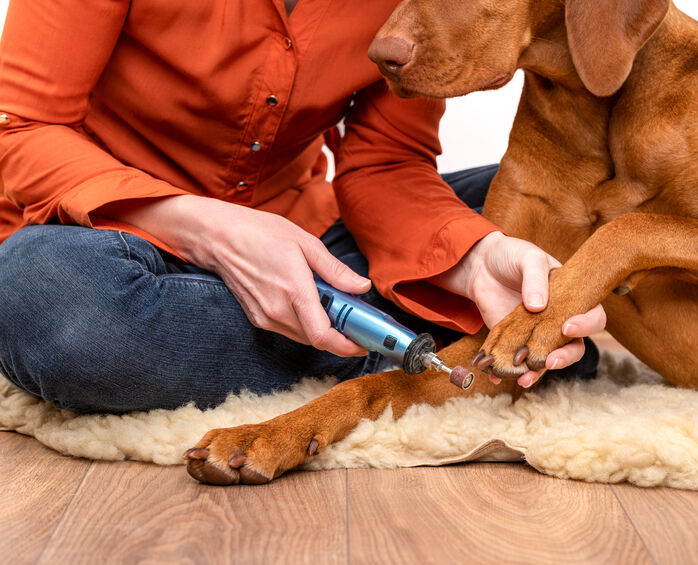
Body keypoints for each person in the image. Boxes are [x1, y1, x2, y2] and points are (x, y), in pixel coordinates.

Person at [0, 0, 605, 414]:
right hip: (107, 241)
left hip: (309, 248)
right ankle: (416, 345)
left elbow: (386, 163)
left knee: (560, 204)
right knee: (50, 301)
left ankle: (388, 334)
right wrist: (209, 228)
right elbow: (18, 127)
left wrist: (474, 257)